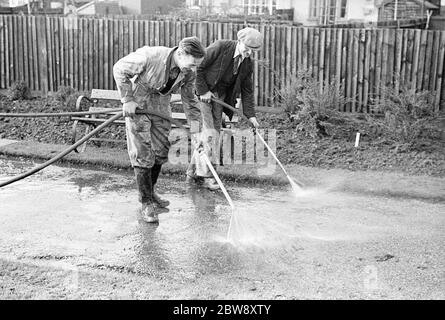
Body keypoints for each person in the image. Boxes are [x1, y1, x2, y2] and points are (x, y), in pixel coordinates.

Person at [113, 37, 205, 223]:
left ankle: (150, 192)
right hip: (139, 104)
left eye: (197, 66)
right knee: (143, 153)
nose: (194, 69)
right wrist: (127, 99)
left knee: (161, 151)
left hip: (161, 106)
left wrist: (196, 132)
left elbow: (190, 102)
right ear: (181, 54)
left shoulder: (188, 72)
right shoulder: (150, 56)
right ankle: (146, 203)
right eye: (193, 64)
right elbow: (119, 68)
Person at [186, 27, 263, 190]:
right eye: (248, 48)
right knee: (209, 134)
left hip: (219, 98)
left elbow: (247, 90)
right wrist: (203, 91)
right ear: (240, 41)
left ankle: (192, 173)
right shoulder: (221, 46)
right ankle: (207, 176)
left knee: (213, 133)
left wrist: (251, 116)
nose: (249, 52)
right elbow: (198, 66)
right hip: (203, 93)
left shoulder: (247, 62)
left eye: (253, 50)